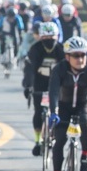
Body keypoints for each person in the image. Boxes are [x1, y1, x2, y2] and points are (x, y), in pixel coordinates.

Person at [48, 36, 87, 171]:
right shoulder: (59, 69)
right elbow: (53, 92)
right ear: (67, 57)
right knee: (59, 140)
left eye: (83, 55)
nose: (80, 59)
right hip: (63, 106)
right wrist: (54, 112)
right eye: (76, 55)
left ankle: (85, 157)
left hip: (83, 104)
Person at [22, 21, 66, 156]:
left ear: (57, 37)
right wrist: (28, 86)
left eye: (52, 37)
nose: (49, 40)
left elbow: (66, 70)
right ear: (41, 37)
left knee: (59, 111)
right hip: (39, 83)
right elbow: (29, 69)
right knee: (38, 111)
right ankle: (37, 140)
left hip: (57, 84)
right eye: (46, 38)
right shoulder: (35, 49)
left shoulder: (61, 49)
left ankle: (54, 135)